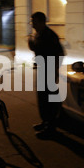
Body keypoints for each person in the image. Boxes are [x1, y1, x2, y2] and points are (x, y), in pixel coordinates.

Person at [28, 11, 65, 139]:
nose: (32, 24)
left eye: (34, 22)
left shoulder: (50, 35)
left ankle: (51, 128)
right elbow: (39, 50)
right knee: (42, 98)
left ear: (41, 22)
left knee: (49, 100)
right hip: (42, 69)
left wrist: (53, 69)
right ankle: (45, 122)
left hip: (48, 70)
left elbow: (60, 53)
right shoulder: (38, 35)